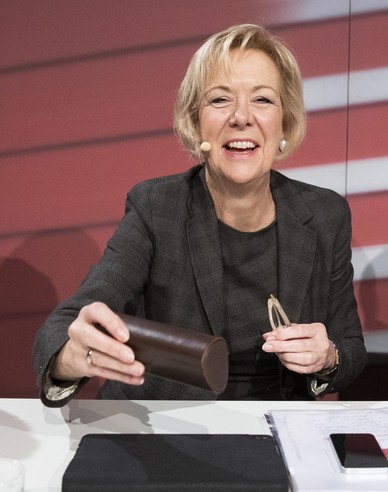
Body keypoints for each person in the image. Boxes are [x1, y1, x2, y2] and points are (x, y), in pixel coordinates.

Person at [33, 24, 366, 406]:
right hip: (169, 427)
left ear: (285, 123)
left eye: (262, 100)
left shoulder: (325, 214)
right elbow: (68, 322)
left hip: (282, 430)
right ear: (196, 122)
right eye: (220, 100)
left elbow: (350, 349)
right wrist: (70, 358)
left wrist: (327, 358)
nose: (241, 117)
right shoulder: (157, 208)